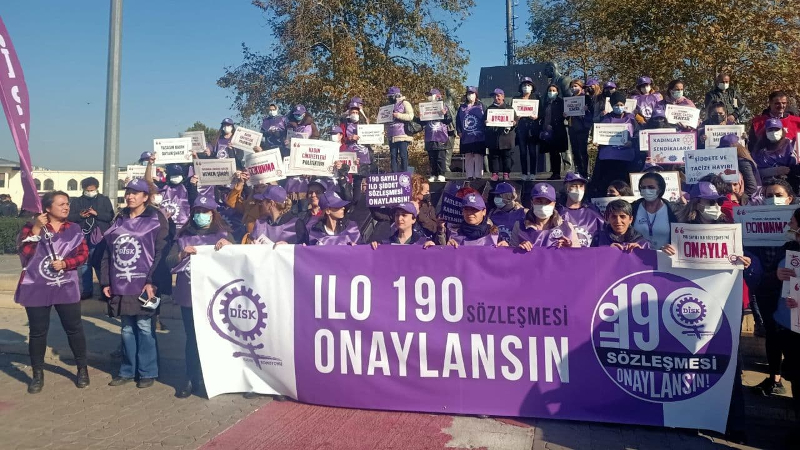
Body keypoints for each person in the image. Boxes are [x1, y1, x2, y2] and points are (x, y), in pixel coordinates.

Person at [15, 191, 90, 393]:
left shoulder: (74, 228)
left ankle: (82, 369)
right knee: (38, 332)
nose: (66, 207)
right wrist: (37, 228)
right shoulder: (32, 226)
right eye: (61, 204)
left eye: (67, 203)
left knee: (74, 328)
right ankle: (37, 374)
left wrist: (66, 263)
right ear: (47, 208)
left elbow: (83, 254)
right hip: (37, 286)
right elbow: (24, 252)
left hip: (66, 286)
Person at [101, 179, 170, 389]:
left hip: (144, 284)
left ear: (145, 197)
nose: (130, 196)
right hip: (120, 283)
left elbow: (161, 252)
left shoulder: (156, 219)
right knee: (126, 329)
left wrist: (152, 281)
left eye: (135, 193)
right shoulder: (119, 219)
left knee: (144, 327)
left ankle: (148, 371)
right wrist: (106, 280)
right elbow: (108, 251)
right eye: (128, 192)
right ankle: (127, 370)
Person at [166, 195, 232, 398]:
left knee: (216, 337)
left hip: (216, 297)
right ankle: (191, 377)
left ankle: (215, 376)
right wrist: (181, 254)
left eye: (204, 211)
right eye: (197, 212)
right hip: (190, 296)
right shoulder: (183, 235)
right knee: (192, 338)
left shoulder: (224, 234)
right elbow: (169, 261)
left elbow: (239, 260)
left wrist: (230, 246)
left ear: (213, 213)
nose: (200, 215)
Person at [752, 179, 798, 399]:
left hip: (792, 294)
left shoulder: (795, 225)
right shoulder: (754, 219)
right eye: (769, 195)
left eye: (778, 195)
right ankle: (775, 378)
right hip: (768, 287)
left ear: (790, 199)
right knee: (772, 333)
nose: (773, 199)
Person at [774, 208, 800, 441]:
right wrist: (777, 273)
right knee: (795, 375)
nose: (789, 224)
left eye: (792, 221)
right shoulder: (788, 248)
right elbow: (771, 277)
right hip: (789, 323)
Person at [67, 177, 114, 299]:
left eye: (92, 190)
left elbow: (110, 216)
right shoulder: (77, 201)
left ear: (97, 188)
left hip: (99, 237)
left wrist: (96, 214)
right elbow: (70, 218)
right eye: (87, 190)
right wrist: (80, 215)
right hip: (81, 236)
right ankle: (86, 291)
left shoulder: (104, 200)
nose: (89, 192)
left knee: (100, 263)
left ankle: (105, 291)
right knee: (84, 263)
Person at [590, 91, 639, 196]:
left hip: (625, 159)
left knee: (624, 185)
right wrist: (598, 142)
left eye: (621, 104)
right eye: (616, 105)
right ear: (612, 105)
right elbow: (599, 134)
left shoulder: (631, 119)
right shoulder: (606, 118)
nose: (619, 107)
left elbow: (637, 135)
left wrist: (632, 142)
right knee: (607, 183)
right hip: (609, 159)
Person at [515, 183, 580, 250]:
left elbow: (578, 254)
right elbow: (510, 253)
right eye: (539, 201)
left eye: (548, 202)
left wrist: (569, 248)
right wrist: (519, 248)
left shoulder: (567, 227)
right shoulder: (519, 226)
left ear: (554, 204)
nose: (543, 205)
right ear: (532, 202)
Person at [631, 172, 685, 252]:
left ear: (660, 189)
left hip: (664, 256)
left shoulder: (673, 210)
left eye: (651, 187)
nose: (647, 190)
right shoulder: (633, 208)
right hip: (637, 256)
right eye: (643, 187)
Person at [439, 193, 508, 247]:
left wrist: (505, 250)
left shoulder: (494, 235)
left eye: (474, 210)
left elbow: (503, 259)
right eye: (466, 209)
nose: (469, 213)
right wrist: (448, 250)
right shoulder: (454, 234)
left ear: (484, 211)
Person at [558, 172, 604, 247]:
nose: (578, 189)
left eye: (581, 186)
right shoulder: (558, 212)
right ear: (566, 188)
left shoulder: (593, 212)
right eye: (574, 186)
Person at [420, 88, 451, 182]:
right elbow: (423, 123)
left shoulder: (443, 106)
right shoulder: (425, 107)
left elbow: (449, 120)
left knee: (440, 157)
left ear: (437, 96)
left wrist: (445, 114)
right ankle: (433, 174)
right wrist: (421, 117)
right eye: (428, 95)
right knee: (432, 157)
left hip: (440, 136)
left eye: (431, 95)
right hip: (430, 136)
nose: (429, 97)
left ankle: (441, 174)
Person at [456, 86, 487, 180]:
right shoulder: (462, 107)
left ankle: (478, 175)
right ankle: (469, 175)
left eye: (472, 93)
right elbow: (458, 121)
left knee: (478, 155)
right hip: (466, 136)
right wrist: (459, 131)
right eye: (469, 94)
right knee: (468, 155)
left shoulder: (481, 106)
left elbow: (486, 118)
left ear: (476, 95)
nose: (470, 95)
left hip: (479, 136)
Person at [485, 88, 516, 181]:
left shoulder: (509, 108)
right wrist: (485, 122)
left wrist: (514, 123)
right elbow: (484, 121)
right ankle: (495, 174)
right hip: (494, 138)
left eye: (498, 96)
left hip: (506, 138)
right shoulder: (489, 109)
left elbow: (516, 120)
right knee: (494, 157)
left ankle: (506, 174)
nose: (496, 98)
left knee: (507, 157)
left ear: (503, 96)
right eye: (494, 96)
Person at [539, 84, 569, 180]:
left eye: (553, 90)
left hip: (558, 131)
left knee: (557, 152)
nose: (551, 92)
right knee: (551, 153)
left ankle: (558, 173)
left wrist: (565, 115)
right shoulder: (546, 103)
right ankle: (554, 172)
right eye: (550, 90)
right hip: (547, 131)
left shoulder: (561, 102)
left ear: (557, 92)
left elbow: (567, 115)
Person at [566, 79, 593, 178]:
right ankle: (578, 170)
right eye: (572, 86)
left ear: (581, 87)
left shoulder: (586, 98)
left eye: (576, 86)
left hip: (582, 127)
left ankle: (585, 172)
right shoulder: (569, 99)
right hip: (572, 127)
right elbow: (568, 115)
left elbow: (592, 112)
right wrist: (565, 115)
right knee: (575, 150)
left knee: (583, 150)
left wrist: (587, 110)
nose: (574, 88)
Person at [515, 77, 540, 181]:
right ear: (521, 87)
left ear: (532, 87)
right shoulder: (516, 99)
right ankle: (524, 173)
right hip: (521, 129)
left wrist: (537, 116)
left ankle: (533, 173)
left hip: (532, 129)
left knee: (533, 152)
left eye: (528, 85)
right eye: (524, 85)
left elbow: (541, 113)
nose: (526, 87)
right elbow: (512, 113)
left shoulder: (536, 98)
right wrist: (516, 117)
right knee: (523, 152)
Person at [384, 87, 415, 172]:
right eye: (389, 97)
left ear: (396, 96)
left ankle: (404, 173)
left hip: (402, 134)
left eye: (391, 96)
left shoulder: (405, 103)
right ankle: (394, 174)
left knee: (403, 155)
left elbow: (410, 116)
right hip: (391, 134)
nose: (390, 98)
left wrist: (398, 115)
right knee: (393, 155)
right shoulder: (388, 105)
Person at [341, 103, 374, 176]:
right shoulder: (344, 124)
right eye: (353, 112)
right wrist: (350, 138)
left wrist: (379, 134)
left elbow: (371, 136)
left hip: (363, 156)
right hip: (349, 155)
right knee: (349, 178)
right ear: (349, 113)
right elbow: (340, 139)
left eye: (356, 113)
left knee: (360, 179)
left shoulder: (363, 123)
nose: (355, 114)